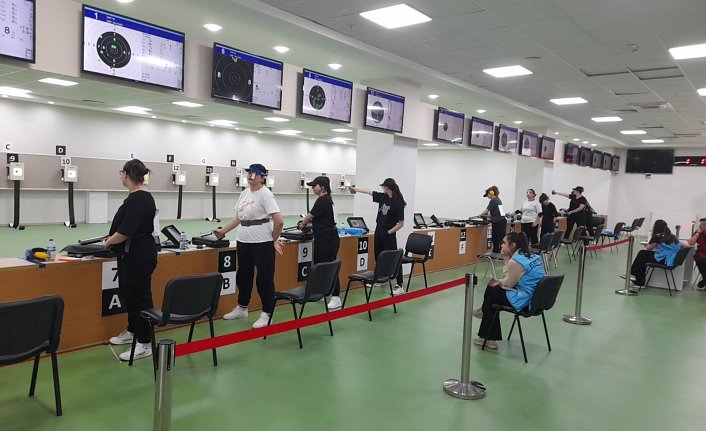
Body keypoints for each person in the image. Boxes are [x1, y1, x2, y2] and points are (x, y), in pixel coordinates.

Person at [215, 164, 284, 329]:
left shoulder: (266, 195)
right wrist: (223, 231)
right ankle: (242, 307)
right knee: (243, 276)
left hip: (262, 241)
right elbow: (239, 217)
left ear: (262, 177)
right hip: (243, 240)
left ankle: (267, 313)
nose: (250, 175)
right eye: (249, 172)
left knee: (264, 279)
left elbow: (279, 221)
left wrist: (273, 239)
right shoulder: (244, 193)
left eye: (254, 173)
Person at [106, 159, 158, 361]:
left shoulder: (140, 199)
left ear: (126, 174)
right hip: (131, 254)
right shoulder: (136, 197)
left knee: (140, 297)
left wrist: (109, 241)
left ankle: (144, 343)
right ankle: (133, 330)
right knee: (129, 295)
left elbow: (126, 231)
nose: (121, 176)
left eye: (121, 173)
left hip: (138, 256)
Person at [473, 232, 545, 350]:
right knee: (491, 298)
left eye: (504, 243)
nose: (501, 245)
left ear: (512, 245)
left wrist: (506, 260)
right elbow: (515, 281)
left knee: (491, 289)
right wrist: (500, 282)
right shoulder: (533, 256)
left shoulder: (515, 261)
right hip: (538, 301)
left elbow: (508, 284)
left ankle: (485, 320)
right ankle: (488, 335)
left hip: (525, 302)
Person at [349, 178, 406, 295]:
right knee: (379, 257)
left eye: (383, 186)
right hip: (379, 230)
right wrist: (355, 189)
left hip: (389, 233)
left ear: (387, 187)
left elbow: (401, 223)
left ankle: (399, 284)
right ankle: (379, 279)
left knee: (394, 258)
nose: (382, 188)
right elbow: (369, 191)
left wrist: (388, 232)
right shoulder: (383, 197)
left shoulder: (398, 202)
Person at [299, 176, 342, 308]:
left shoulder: (323, 200)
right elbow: (321, 219)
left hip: (328, 239)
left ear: (323, 187)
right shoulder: (325, 200)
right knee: (320, 265)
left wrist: (303, 224)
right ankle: (322, 293)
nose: (312, 188)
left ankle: (336, 297)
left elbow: (309, 216)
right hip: (322, 237)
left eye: (314, 186)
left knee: (329, 266)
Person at [478, 185, 506, 253]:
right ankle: (497, 252)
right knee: (496, 238)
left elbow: (487, 210)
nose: (487, 197)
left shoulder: (493, 200)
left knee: (498, 239)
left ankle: (500, 253)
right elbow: (499, 213)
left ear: (491, 193)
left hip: (499, 222)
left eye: (487, 195)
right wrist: (488, 216)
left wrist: (479, 215)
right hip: (500, 221)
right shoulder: (498, 199)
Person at [685, 218, 706, 289]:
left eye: (703, 224)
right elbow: (690, 242)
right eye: (700, 224)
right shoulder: (698, 232)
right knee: (701, 260)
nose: (700, 226)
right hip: (700, 255)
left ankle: (704, 280)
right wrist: (698, 233)